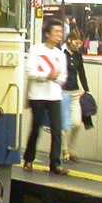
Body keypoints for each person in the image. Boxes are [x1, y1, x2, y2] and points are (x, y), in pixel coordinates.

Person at [23, 20, 69, 175]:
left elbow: (63, 78)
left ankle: (55, 164)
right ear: (47, 34)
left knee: (57, 130)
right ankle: (29, 159)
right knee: (36, 128)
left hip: (55, 96)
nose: (59, 35)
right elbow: (30, 72)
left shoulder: (60, 55)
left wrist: (53, 77)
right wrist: (47, 75)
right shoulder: (36, 50)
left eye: (61, 32)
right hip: (37, 96)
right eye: (56, 32)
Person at [61, 29, 90, 162]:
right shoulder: (61, 54)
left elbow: (81, 73)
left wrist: (87, 90)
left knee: (76, 123)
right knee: (64, 125)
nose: (78, 46)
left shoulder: (78, 56)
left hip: (75, 92)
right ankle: (66, 151)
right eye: (76, 43)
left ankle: (70, 148)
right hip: (63, 92)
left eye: (80, 44)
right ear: (69, 40)